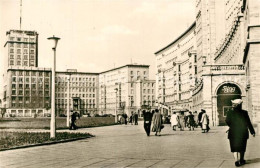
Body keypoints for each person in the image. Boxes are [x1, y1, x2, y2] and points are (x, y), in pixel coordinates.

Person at [226, 99, 255, 167]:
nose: (232, 105)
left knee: (234, 147)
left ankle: (236, 160)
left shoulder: (230, 112)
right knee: (242, 147)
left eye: (233, 104)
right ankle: (241, 160)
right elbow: (248, 123)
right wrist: (252, 131)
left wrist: (232, 125)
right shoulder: (244, 112)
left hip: (233, 132)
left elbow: (227, 121)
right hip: (243, 132)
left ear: (235, 105)